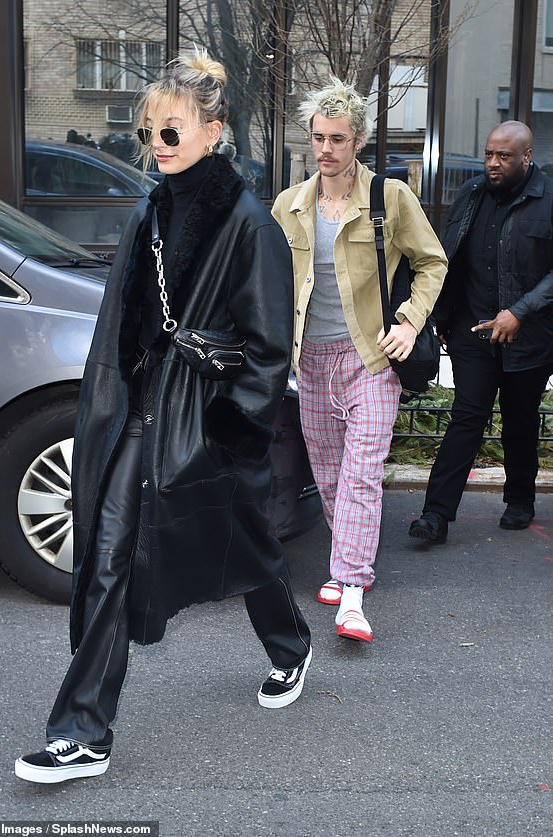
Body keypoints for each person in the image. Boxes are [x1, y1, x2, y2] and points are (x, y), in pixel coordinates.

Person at [15, 49, 312, 784]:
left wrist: (226, 434)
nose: (157, 145)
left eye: (172, 131)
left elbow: (272, 348)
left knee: (248, 547)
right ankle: (84, 730)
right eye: (150, 132)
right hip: (141, 417)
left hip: (204, 422)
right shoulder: (150, 210)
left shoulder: (249, 224)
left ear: (215, 131)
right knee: (110, 558)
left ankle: (290, 645)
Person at [272, 78, 446, 642]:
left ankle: (349, 589)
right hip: (311, 362)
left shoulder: (390, 198)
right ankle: (353, 562)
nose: (326, 149)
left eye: (338, 139)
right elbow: (272, 282)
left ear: (359, 140)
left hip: (370, 359)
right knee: (327, 472)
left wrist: (409, 321)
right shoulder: (289, 206)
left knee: (362, 475)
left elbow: (432, 262)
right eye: (319, 138)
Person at [409, 121, 553, 543]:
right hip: (472, 331)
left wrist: (520, 312)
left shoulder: (548, 201)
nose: (493, 163)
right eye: (490, 153)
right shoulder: (471, 195)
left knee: (520, 420)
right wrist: (442, 320)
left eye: (504, 156)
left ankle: (520, 499)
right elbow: (446, 257)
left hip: (529, 337)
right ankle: (435, 515)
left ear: (526, 157)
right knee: (466, 419)